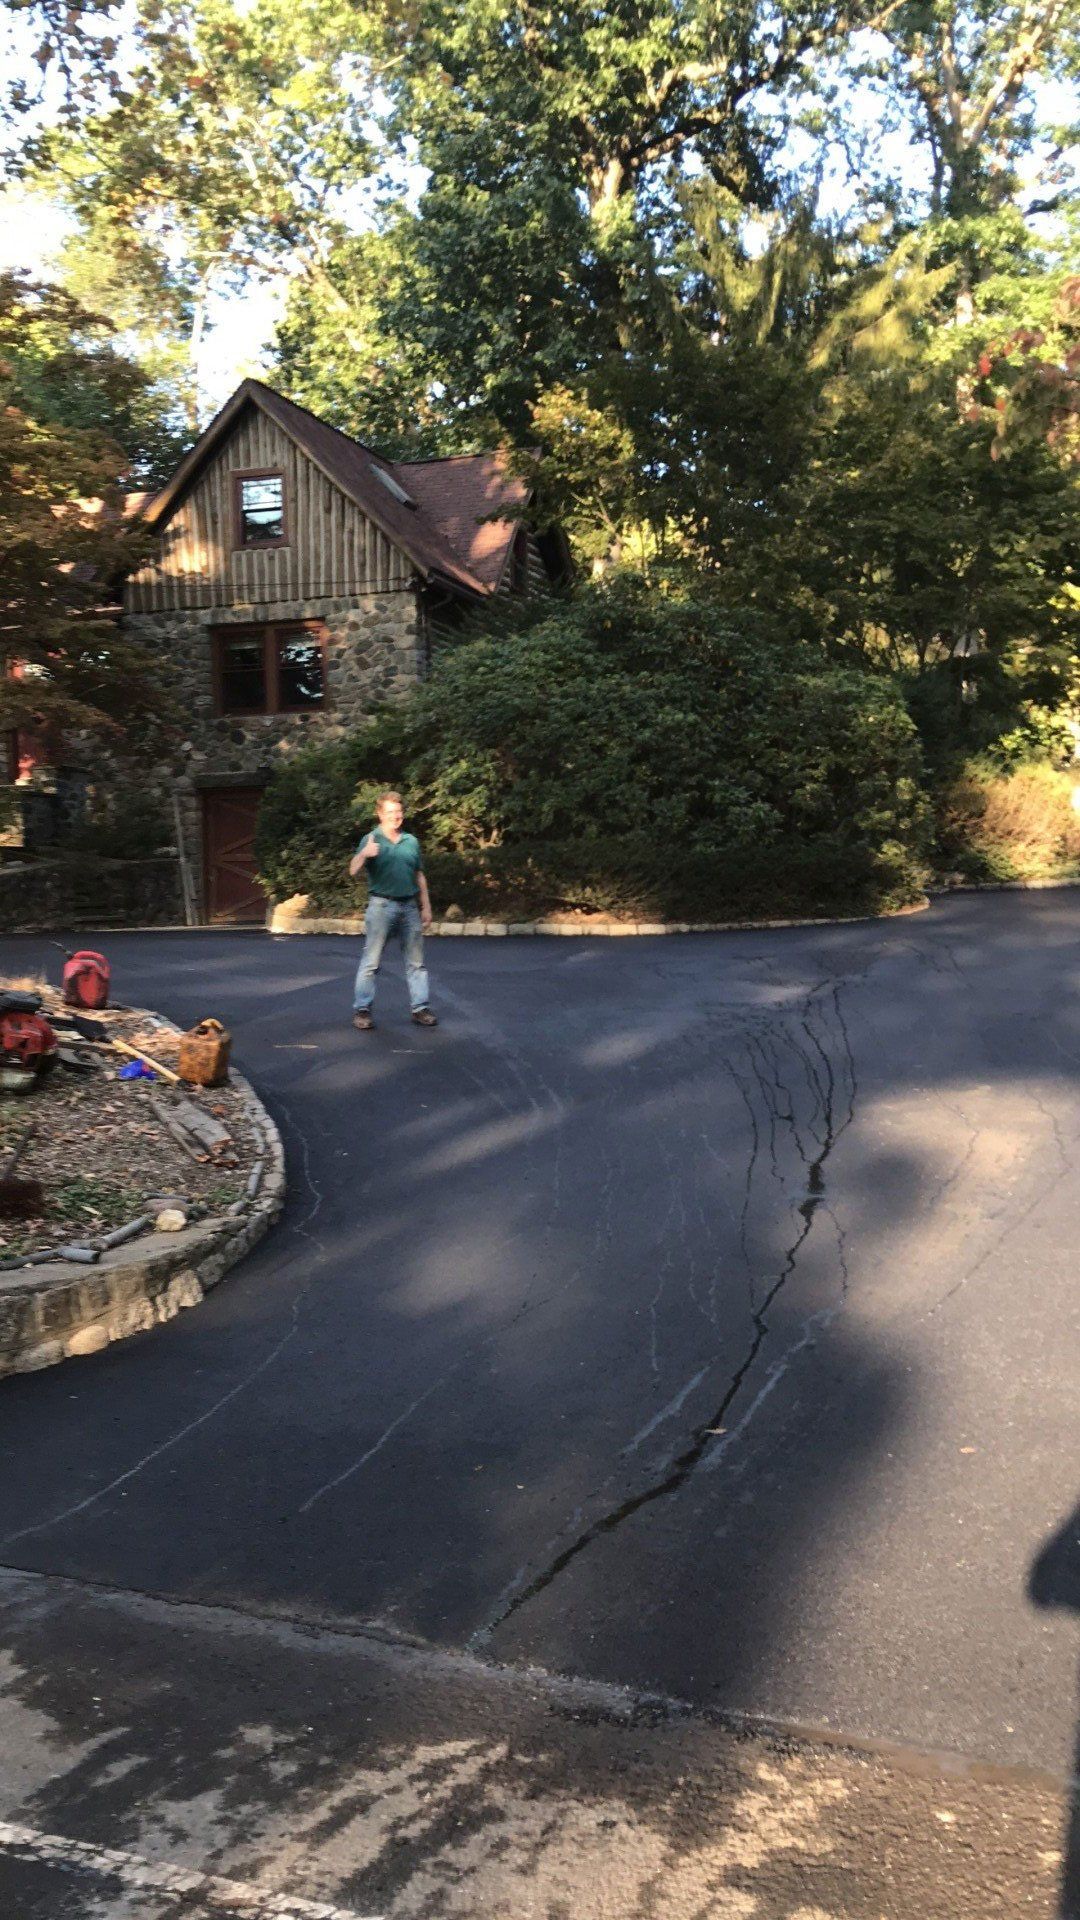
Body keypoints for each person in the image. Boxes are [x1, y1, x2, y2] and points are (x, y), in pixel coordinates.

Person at [349, 791, 438, 1031]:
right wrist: (364, 854)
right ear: (380, 814)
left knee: (416, 963)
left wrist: (426, 905)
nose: (395, 816)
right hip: (381, 906)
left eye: (398, 812)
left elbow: (419, 874)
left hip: (409, 906)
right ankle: (362, 1010)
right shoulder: (371, 839)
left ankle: (420, 1008)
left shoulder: (411, 841)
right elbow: (353, 869)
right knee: (371, 961)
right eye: (390, 812)